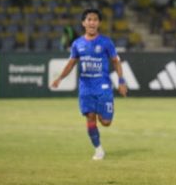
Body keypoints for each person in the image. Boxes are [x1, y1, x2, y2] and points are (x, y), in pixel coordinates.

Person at [51, 9, 128, 160]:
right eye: (89, 19)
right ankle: (98, 149)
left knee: (106, 122)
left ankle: (102, 111)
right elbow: (71, 64)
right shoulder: (77, 44)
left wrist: (121, 80)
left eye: (95, 20)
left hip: (103, 87)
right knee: (90, 117)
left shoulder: (106, 42)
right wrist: (59, 78)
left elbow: (116, 62)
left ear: (99, 23)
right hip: (86, 88)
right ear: (83, 23)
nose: (92, 22)